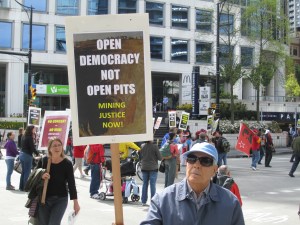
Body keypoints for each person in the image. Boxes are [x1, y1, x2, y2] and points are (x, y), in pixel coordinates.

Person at [140, 142, 245, 225]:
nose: (196, 165)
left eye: (205, 161)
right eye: (192, 159)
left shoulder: (230, 203)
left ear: (215, 170)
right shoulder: (162, 200)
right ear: (186, 163)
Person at [37, 138, 80, 225]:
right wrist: (42, 176)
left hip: (60, 200)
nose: (57, 148)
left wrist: (75, 203)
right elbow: (34, 174)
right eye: (54, 146)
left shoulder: (67, 163)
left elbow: (72, 184)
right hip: (43, 199)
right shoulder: (44, 160)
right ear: (49, 149)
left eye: (59, 145)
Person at [140, 140, 162, 206]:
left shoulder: (142, 146)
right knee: (152, 185)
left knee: (144, 184)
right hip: (153, 167)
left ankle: (143, 201)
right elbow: (160, 158)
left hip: (144, 167)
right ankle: (153, 201)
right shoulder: (155, 146)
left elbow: (141, 156)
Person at [19, 125, 39, 191]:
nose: (35, 130)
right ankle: (25, 187)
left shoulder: (23, 136)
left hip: (22, 154)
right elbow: (32, 148)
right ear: (31, 129)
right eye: (34, 129)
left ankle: (21, 187)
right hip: (27, 155)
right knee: (27, 172)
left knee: (23, 172)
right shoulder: (29, 137)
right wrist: (38, 154)